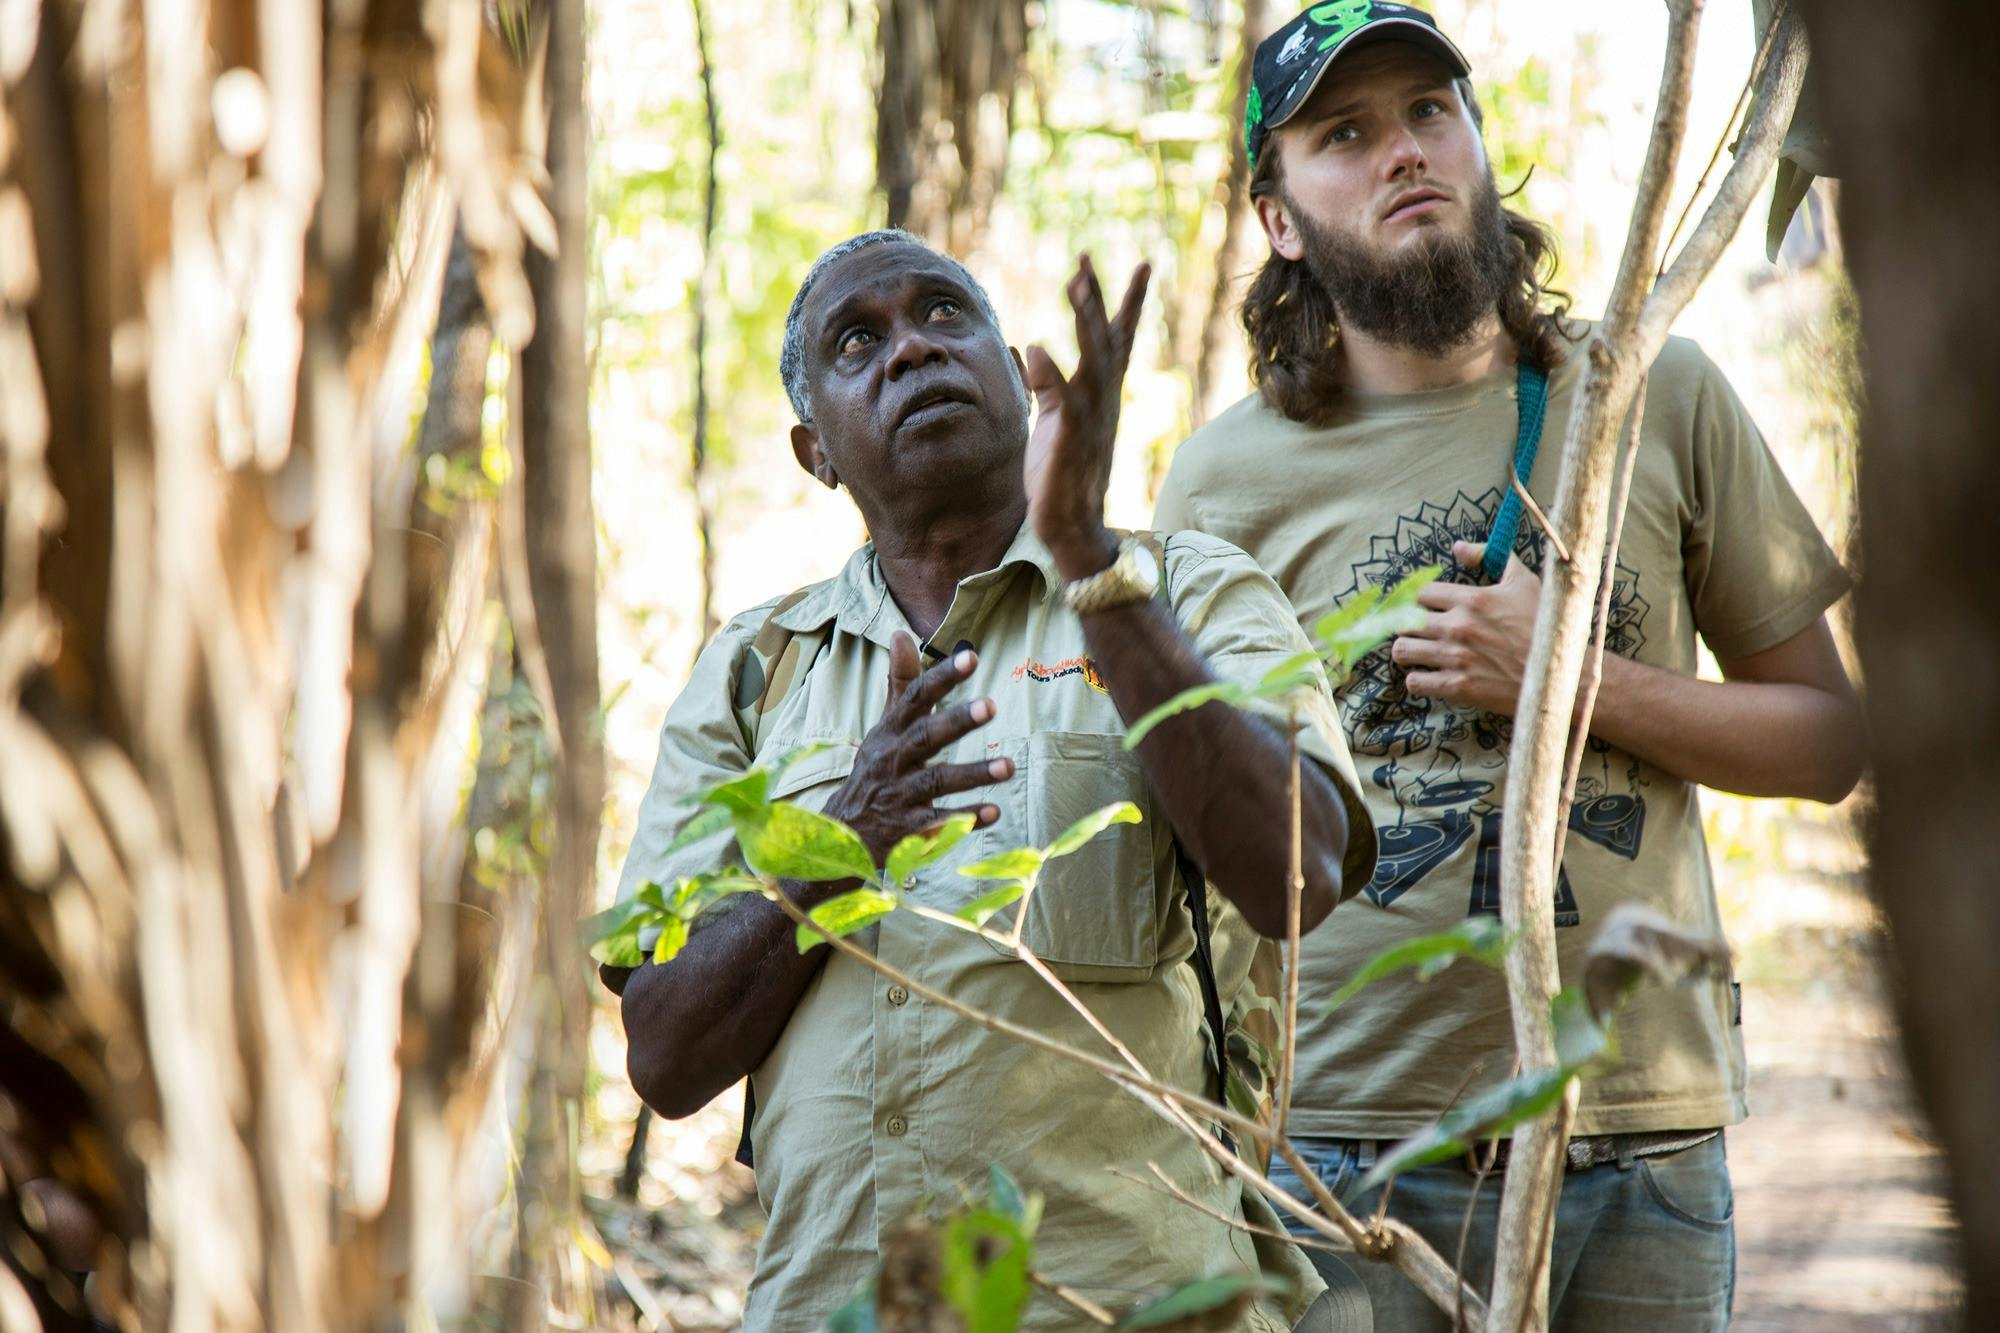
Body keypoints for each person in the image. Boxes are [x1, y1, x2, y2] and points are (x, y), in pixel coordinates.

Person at [1153, 5, 1867, 1329]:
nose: (1403, 152)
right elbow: (1196, 821)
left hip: (1640, 1144)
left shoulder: (1654, 389)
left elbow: (1829, 744)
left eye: (1431, 111)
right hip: (1353, 1160)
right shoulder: (1223, 481)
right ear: (1280, 219)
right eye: (1344, 135)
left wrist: (1572, 678)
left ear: (1477, 139)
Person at [605, 228, 1379, 1330]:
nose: (911, 349)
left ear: (1018, 384)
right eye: (858, 340)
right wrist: (842, 841)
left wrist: (1088, 567)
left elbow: (1295, 872)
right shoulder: (752, 668)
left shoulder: (1185, 590)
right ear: (813, 448)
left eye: (942, 314)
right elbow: (665, 1054)